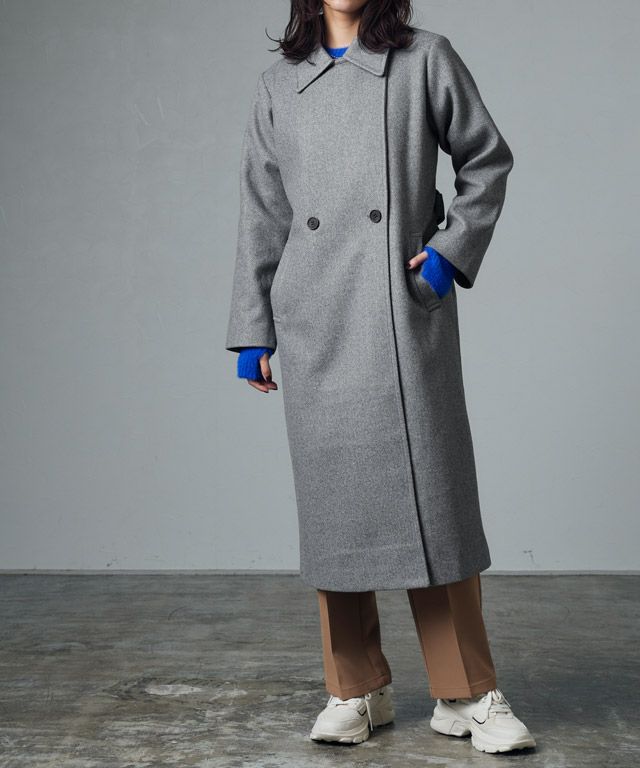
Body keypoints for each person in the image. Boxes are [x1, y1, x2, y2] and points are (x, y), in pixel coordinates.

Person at [225, 0, 536, 754]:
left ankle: (465, 693)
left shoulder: (425, 58)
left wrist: (448, 254)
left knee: (435, 502)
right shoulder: (279, 84)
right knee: (336, 510)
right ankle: (355, 689)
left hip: (399, 309)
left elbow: (486, 159)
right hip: (316, 314)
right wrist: (252, 325)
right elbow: (263, 210)